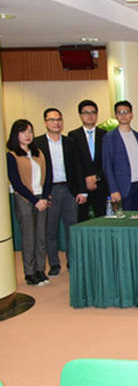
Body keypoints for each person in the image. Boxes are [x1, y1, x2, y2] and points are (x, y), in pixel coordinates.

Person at [34, 108, 86, 276]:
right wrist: (42, 193)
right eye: (52, 120)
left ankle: (72, 261)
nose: (56, 123)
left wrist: (82, 191)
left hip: (69, 190)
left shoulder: (70, 142)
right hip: (50, 191)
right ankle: (54, 264)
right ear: (45, 122)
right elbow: (35, 170)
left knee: (72, 228)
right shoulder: (37, 143)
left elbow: (78, 167)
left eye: (58, 119)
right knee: (50, 230)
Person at [6, 120, 52, 286]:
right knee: (29, 237)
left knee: (41, 236)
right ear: (16, 134)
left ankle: (40, 270)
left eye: (30, 131)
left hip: (42, 198)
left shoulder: (38, 153)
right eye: (23, 132)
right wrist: (35, 201)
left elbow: (48, 176)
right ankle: (30, 273)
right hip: (25, 199)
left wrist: (44, 198)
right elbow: (16, 183)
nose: (28, 135)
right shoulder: (12, 155)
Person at [68, 100, 108, 220]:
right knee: (82, 220)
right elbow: (75, 163)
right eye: (86, 113)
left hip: (101, 185)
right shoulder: (73, 136)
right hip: (82, 187)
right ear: (80, 115)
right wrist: (86, 179)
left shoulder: (105, 135)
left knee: (103, 220)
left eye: (93, 112)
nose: (90, 116)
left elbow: (106, 161)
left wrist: (96, 177)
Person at [102, 101, 138, 210]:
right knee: (124, 219)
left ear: (131, 114)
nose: (123, 115)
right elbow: (107, 166)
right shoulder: (109, 137)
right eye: (120, 112)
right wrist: (113, 189)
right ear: (115, 115)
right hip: (122, 187)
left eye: (126, 112)